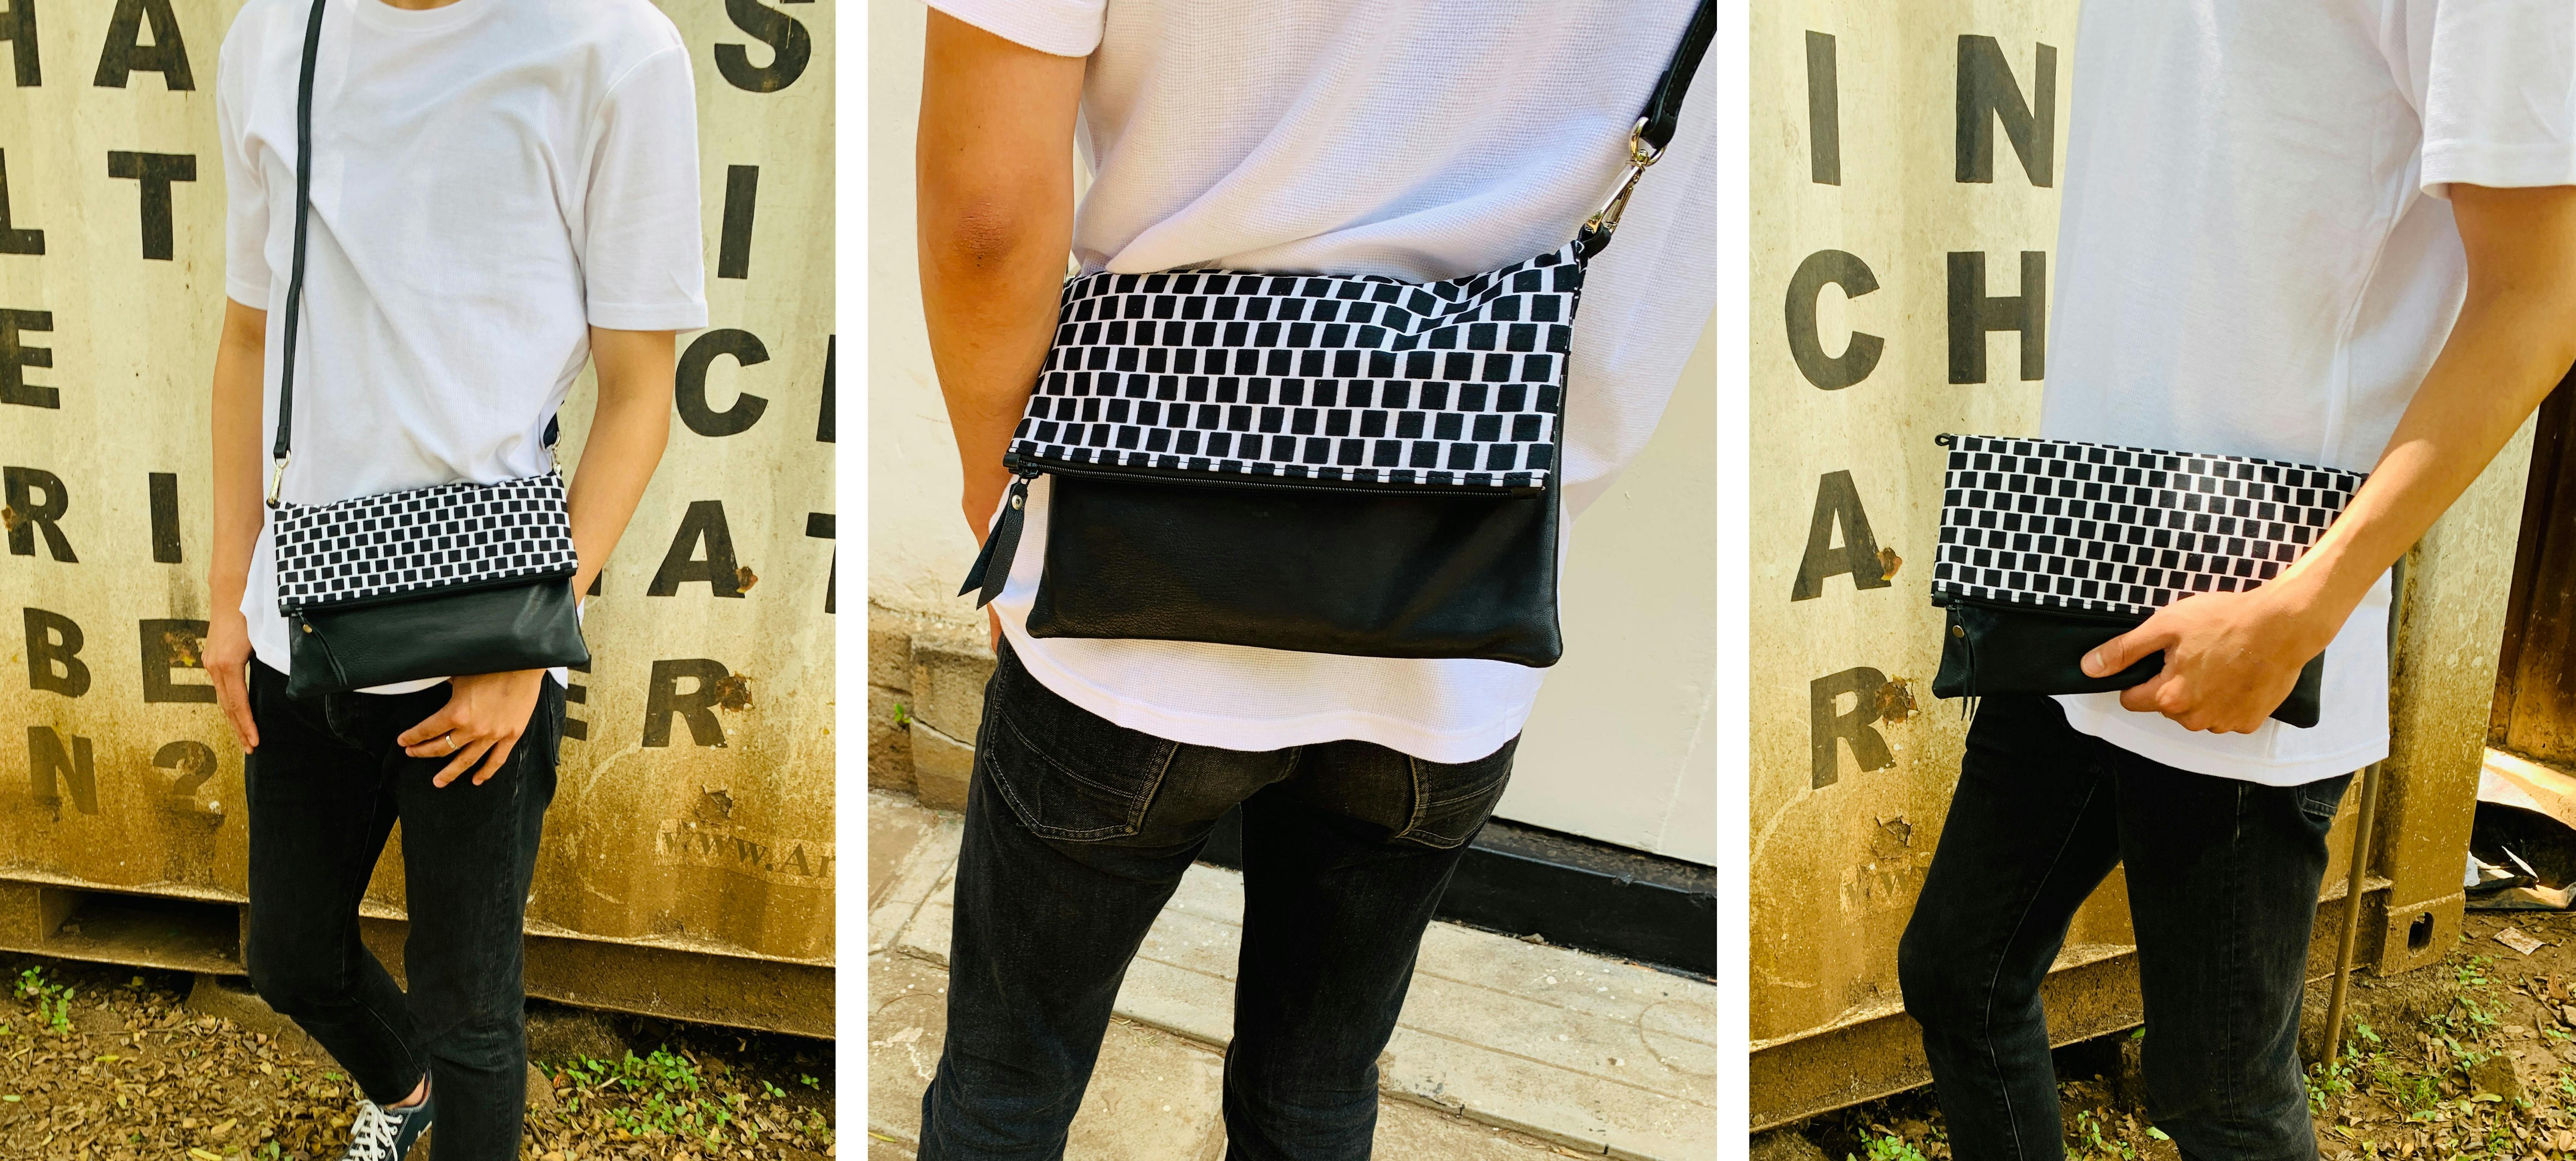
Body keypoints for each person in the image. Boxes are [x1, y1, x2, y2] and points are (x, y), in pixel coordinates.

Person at [908, 2, 1713, 1158]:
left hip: (1126, 591)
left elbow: (986, 218)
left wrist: (1005, 507)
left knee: (1006, 1087)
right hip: (1453, 623)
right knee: (1315, 1094)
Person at [1897, 2, 2576, 1158]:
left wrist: (2303, 610)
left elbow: (2541, 294)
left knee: (2218, 1094)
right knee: (1960, 973)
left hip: (2256, 608)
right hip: (2082, 550)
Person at [204, 0, 705, 1156]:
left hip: (488, 635)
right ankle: (402, 1092)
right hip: (302, 616)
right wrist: (230, 598)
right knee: (289, 957)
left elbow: (640, 391)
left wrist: (530, 644)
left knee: (470, 1011)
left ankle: (443, 1091)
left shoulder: (613, 48)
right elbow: (247, 337)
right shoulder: (274, 34)